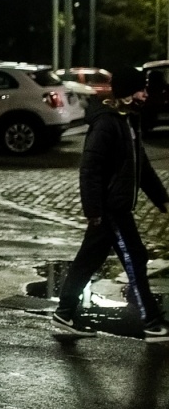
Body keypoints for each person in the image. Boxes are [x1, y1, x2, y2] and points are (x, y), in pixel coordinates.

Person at [51, 64, 168, 342]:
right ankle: (151, 322)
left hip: (114, 208)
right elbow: (90, 169)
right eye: (140, 90)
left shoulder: (127, 121)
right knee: (135, 258)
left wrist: (162, 200)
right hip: (110, 209)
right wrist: (93, 210)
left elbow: (143, 168)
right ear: (127, 93)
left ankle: (64, 313)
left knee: (87, 260)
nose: (144, 96)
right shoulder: (107, 123)